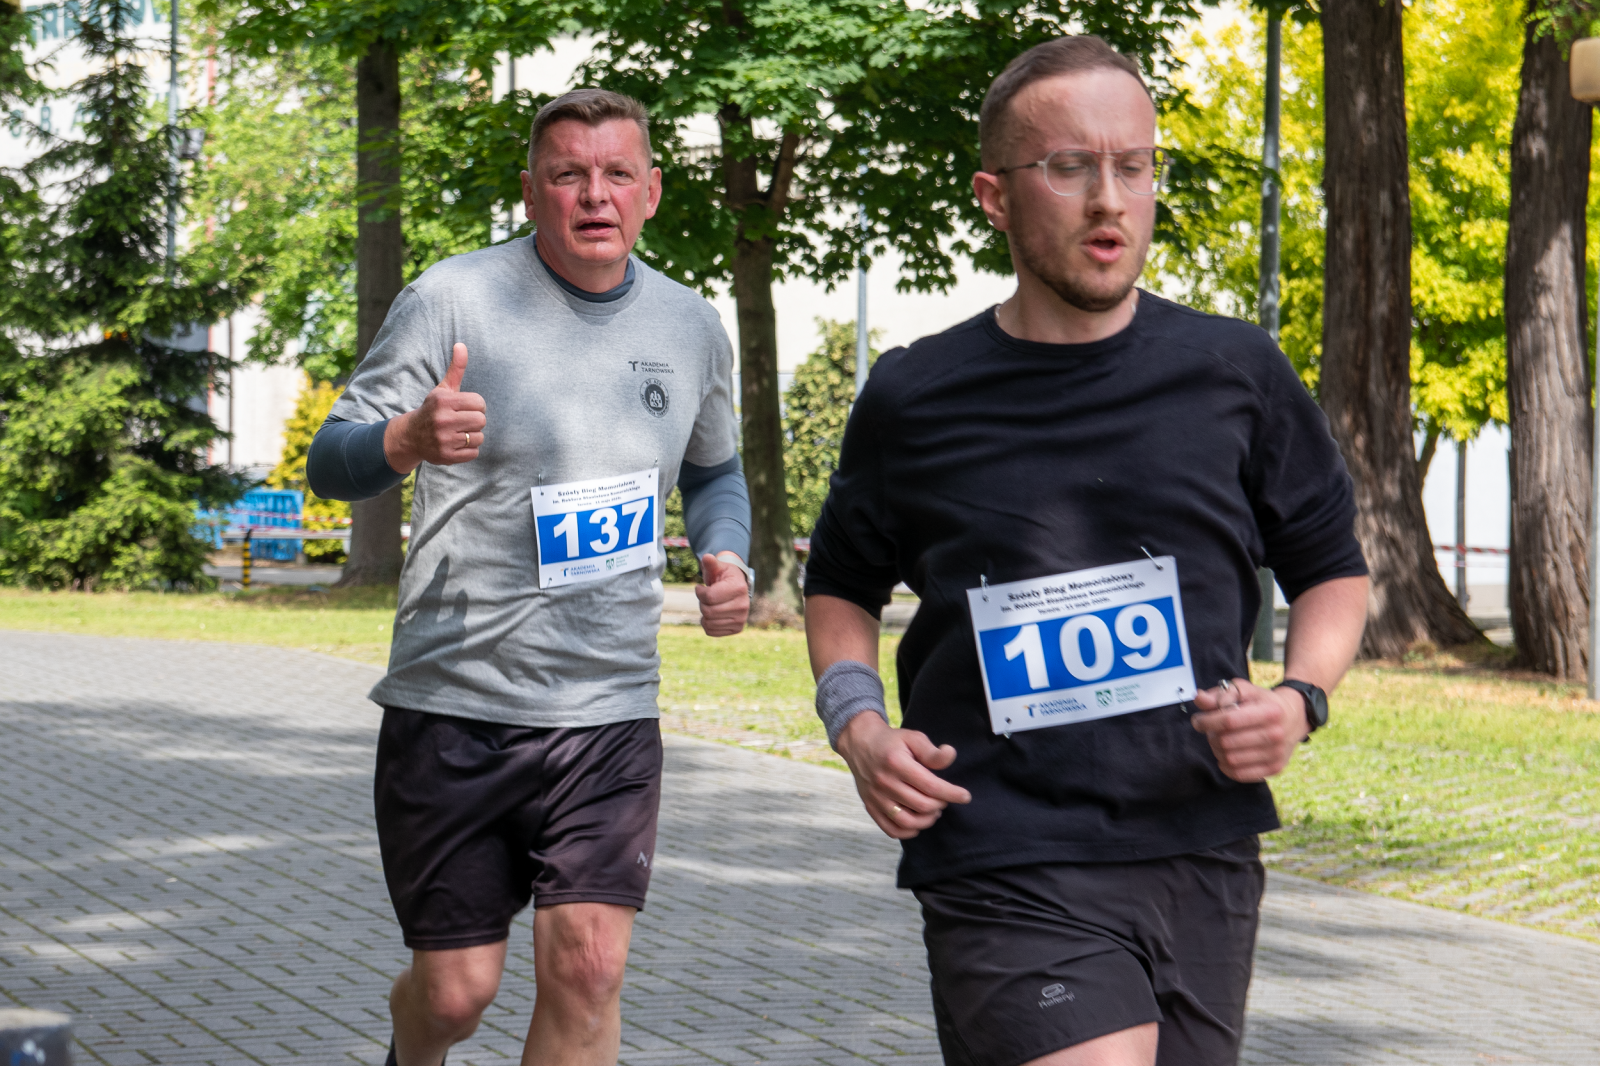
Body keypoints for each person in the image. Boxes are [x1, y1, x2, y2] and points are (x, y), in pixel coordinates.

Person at [802, 36, 1370, 1066]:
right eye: (1068, 167)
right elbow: (841, 582)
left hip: (1198, 841)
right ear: (994, 195)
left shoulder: (1234, 371)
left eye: (1134, 166)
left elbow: (1329, 567)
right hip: (999, 840)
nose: (1110, 199)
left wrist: (1299, 700)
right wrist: (858, 727)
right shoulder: (916, 396)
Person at [306, 88, 754, 1066]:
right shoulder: (452, 299)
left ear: (651, 192)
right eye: (568, 174)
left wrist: (729, 553)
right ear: (531, 190)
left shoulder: (690, 325)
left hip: (608, 708)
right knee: (455, 995)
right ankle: (412, 1044)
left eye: (617, 174)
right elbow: (329, 460)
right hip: (456, 704)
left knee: (589, 970)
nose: (595, 195)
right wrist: (406, 437)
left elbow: (715, 471)